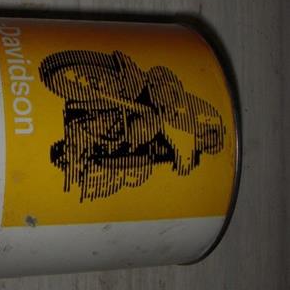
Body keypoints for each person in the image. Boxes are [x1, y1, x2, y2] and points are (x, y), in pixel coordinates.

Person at [39, 50, 225, 203]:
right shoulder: (201, 116)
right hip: (160, 98)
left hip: (155, 108)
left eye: (209, 142)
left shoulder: (192, 140)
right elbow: (177, 114)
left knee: (133, 134)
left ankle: (104, 110)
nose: (206, 140)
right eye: (210, 138)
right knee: (140, 126)